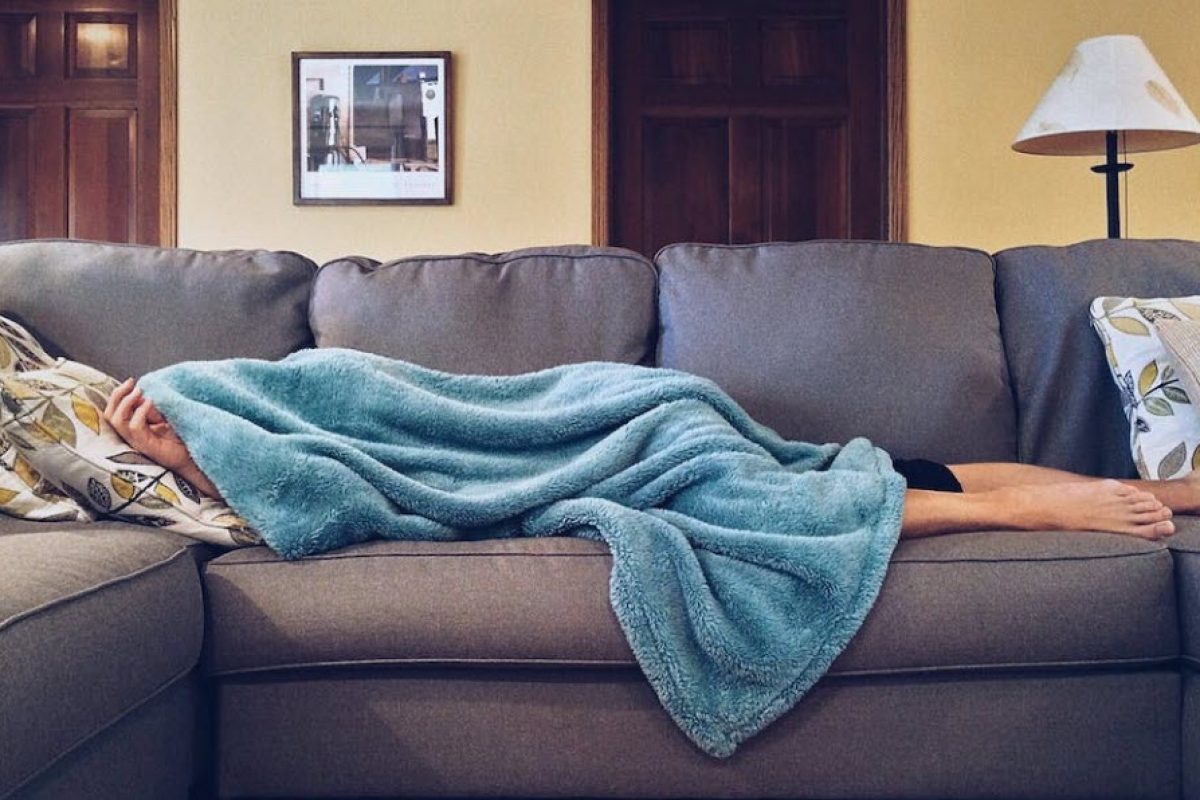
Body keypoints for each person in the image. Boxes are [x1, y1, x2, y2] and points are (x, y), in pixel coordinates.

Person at [102, 378, 1182, 542]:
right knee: (852, 474)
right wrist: (195, 459)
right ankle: (1117, 493)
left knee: (799, 495)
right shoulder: (214, 421)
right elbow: (339, 492)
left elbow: (399, 415)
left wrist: (199, 441)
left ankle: (1051, 507)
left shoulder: (245, 380)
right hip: (652, 420)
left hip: (636, 417)